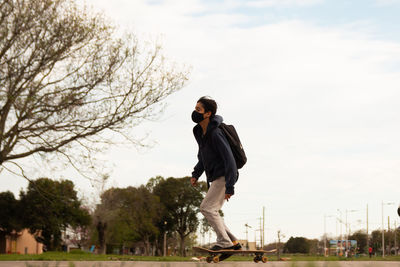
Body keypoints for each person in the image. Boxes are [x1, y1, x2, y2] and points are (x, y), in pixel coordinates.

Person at [190, 96, 241, 251]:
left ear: (208, 114)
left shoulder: (215, 133)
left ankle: (224, 242)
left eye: (198, 109)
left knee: (207, 208)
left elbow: (230, 160)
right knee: (212, 210)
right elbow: (203, 157)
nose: (194, 112)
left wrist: (230, 186)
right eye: (195, 108)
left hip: (225, 175)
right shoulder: (201, 133)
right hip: (218, 176)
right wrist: (196, 173)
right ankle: (233, 242)